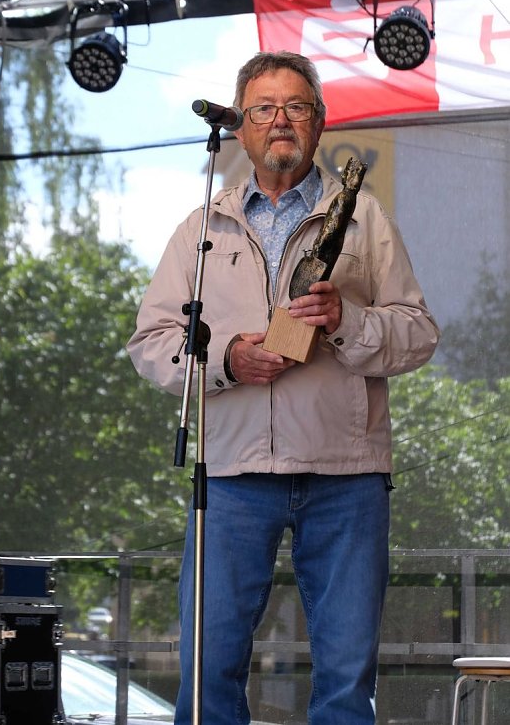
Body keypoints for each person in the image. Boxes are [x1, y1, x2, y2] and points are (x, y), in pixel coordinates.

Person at [127, 50, 440, 725]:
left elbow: (418, 335)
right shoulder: (201, 229)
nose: (279, 120)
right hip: (231, 474)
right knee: (208, 671)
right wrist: (227, 360)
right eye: (263, 108)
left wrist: (347, 322)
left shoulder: (363, 219)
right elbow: (150, 345)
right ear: (240, 129)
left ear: (319, 123)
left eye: (296, 106)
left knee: (346, 680)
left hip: (346, 475)